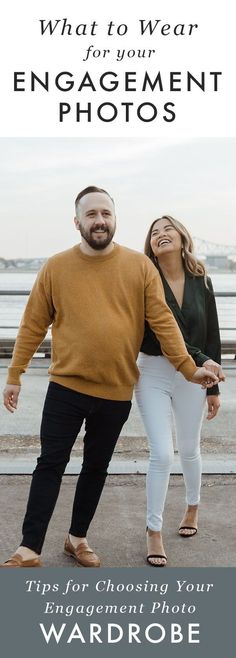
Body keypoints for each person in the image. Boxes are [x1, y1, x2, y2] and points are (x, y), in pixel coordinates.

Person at [2, 188, 221, 569]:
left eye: (105, 212)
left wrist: (189, 369)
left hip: (116, 390)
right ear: (78, 222)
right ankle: (29, 546)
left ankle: (77, 538)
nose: (99, 220)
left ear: (115, 219)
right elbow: (32, 325)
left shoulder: (139, 267)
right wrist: (15, 374)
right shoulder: (55, 266)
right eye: (91, 215)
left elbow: (163, 323)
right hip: (65, 386)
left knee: (95, 467)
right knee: (50, 463)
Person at [135, 215, 223, 567]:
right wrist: (199, 362)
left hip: (197, 375)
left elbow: (212, 332)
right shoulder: (144, 279)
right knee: (161, 453)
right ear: (151, 247)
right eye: (154, 233)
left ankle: (192, 508)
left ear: (182, 237)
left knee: (189, 448)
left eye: (167, 229)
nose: (161, 235)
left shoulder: (202, 280)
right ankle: (153, 530)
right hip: (154, 370)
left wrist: (213, 387)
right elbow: (157, 333)